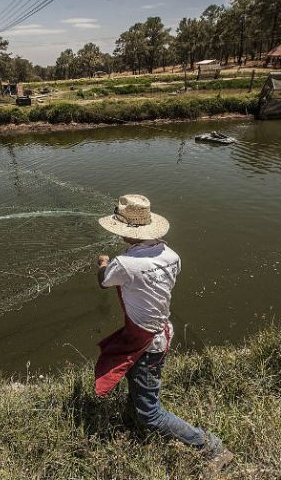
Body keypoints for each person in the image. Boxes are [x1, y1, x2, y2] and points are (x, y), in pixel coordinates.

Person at [95, 194, 234, 476]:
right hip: (160, 333)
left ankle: (210, 446)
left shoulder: (123, 264)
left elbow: (105, 282)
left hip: (147, 343)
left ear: (126, 232)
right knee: (138, 380)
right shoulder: (172, 256)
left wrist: (102, 263)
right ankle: (137, 410)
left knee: (151, 413)